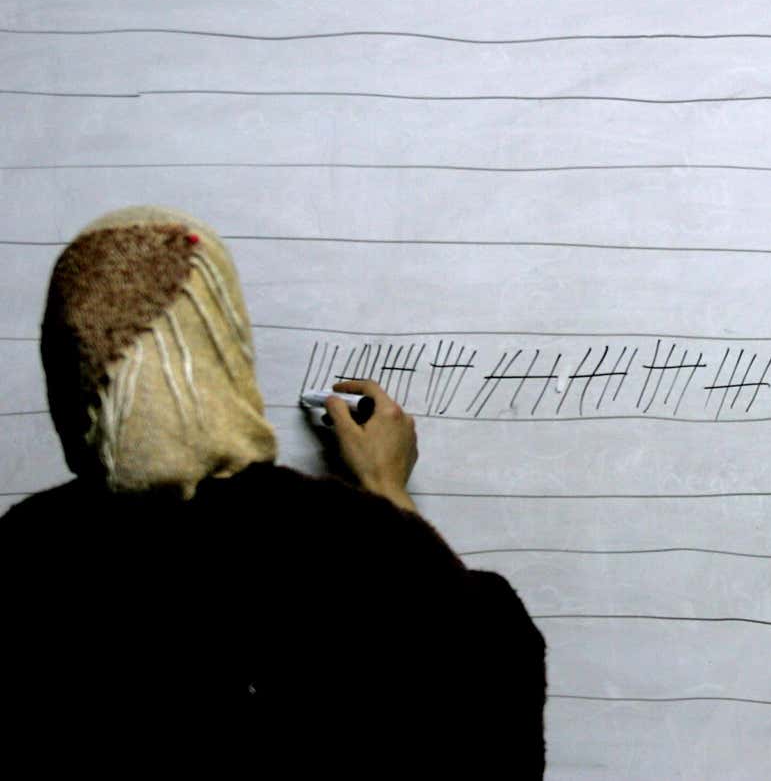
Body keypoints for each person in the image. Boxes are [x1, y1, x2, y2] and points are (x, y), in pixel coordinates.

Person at [0, 206, 545, 765]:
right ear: (225, 343)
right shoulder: (343, 541)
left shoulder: (22, 553)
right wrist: (387, 492)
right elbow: (486, 724)